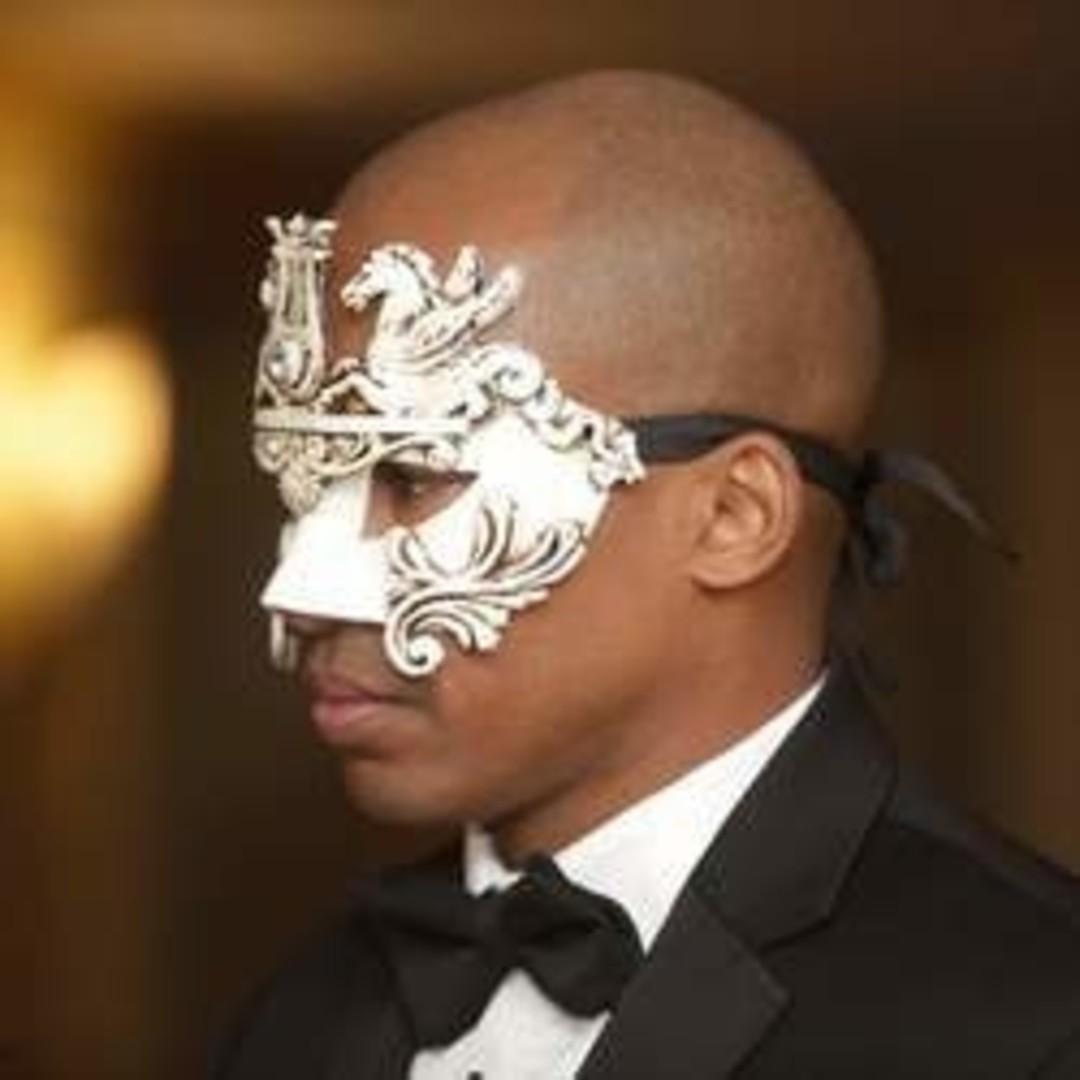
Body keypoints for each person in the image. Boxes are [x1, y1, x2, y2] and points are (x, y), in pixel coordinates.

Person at [217, 70, 1080, 1078]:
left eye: (415, 479)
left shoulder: (1036, 1025)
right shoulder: (304, 1012)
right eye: (306, 484)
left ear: (733, 515)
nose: (297, 592)